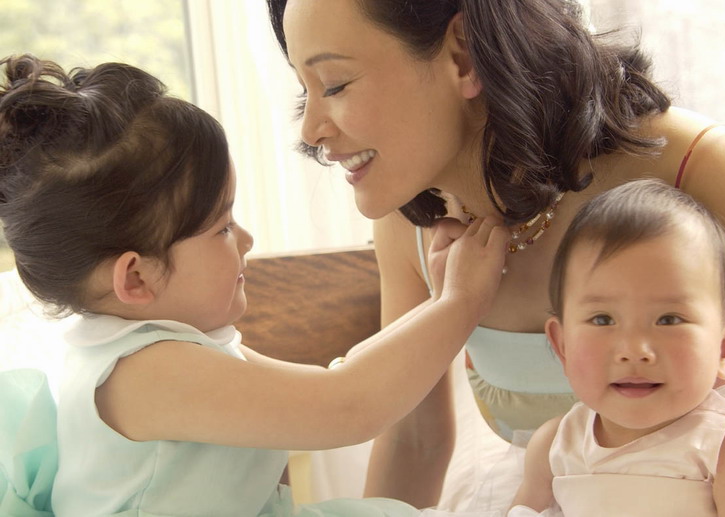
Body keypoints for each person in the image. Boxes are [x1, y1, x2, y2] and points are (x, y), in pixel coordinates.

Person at [266, 0, 725, 509]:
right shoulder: (409, 219)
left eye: (334, 84)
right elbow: (415, 445)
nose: (312, 131)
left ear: (464, 55)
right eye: (302, 93)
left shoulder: (693, 167)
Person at [0, 54, 509, 517]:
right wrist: (462, 302)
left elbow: (331, 383)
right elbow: (347, 405)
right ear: (136, 277)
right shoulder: (144, 374)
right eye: (222, 227)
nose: (245, 239)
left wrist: (438, 301)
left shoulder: (159, 352)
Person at [508, 179, 725, 517]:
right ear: (562, 344)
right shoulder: (556, 445)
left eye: (669, 319)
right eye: (602, 320)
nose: (634, 350)